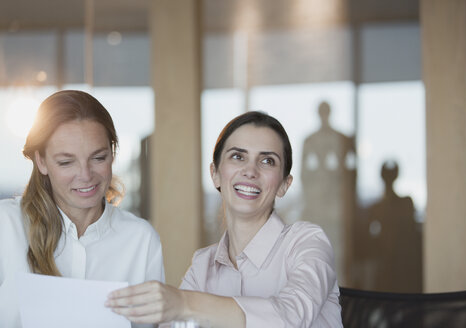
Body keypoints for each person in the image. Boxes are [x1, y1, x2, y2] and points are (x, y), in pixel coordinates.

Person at [107, 111, 343, 327]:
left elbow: (290, 317)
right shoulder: (203, 266)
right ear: (215, 174)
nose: (250, 171)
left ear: (284, 185)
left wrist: (185, 304)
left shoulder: (307, 243)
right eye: (238, 156)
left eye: (267, 160)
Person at [0, 90, 165, 328]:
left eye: (98, 158)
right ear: (42, 162)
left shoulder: (141, 239)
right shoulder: (6, 225)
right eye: (66, 162)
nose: (86, 176)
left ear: (112, 154)